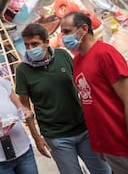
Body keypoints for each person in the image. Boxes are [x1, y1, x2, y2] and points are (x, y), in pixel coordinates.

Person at [15, 23, 111, 173]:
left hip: (84, 128)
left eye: (35, 44)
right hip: (56, 136)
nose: (30, 49)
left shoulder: (62, 55)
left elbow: (84, 85)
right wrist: (36, 137)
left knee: (103, 171)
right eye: (27, 45)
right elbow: (25, 107)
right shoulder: (22, 70)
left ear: (46, 42)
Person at [60, 11, 128, 174]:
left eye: (67, 31)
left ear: (83, 28)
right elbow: (92, 103)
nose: (63, 37)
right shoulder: (77, 60)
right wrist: (100, 146)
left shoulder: (105, 54)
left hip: (126, 147)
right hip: (108, 148)